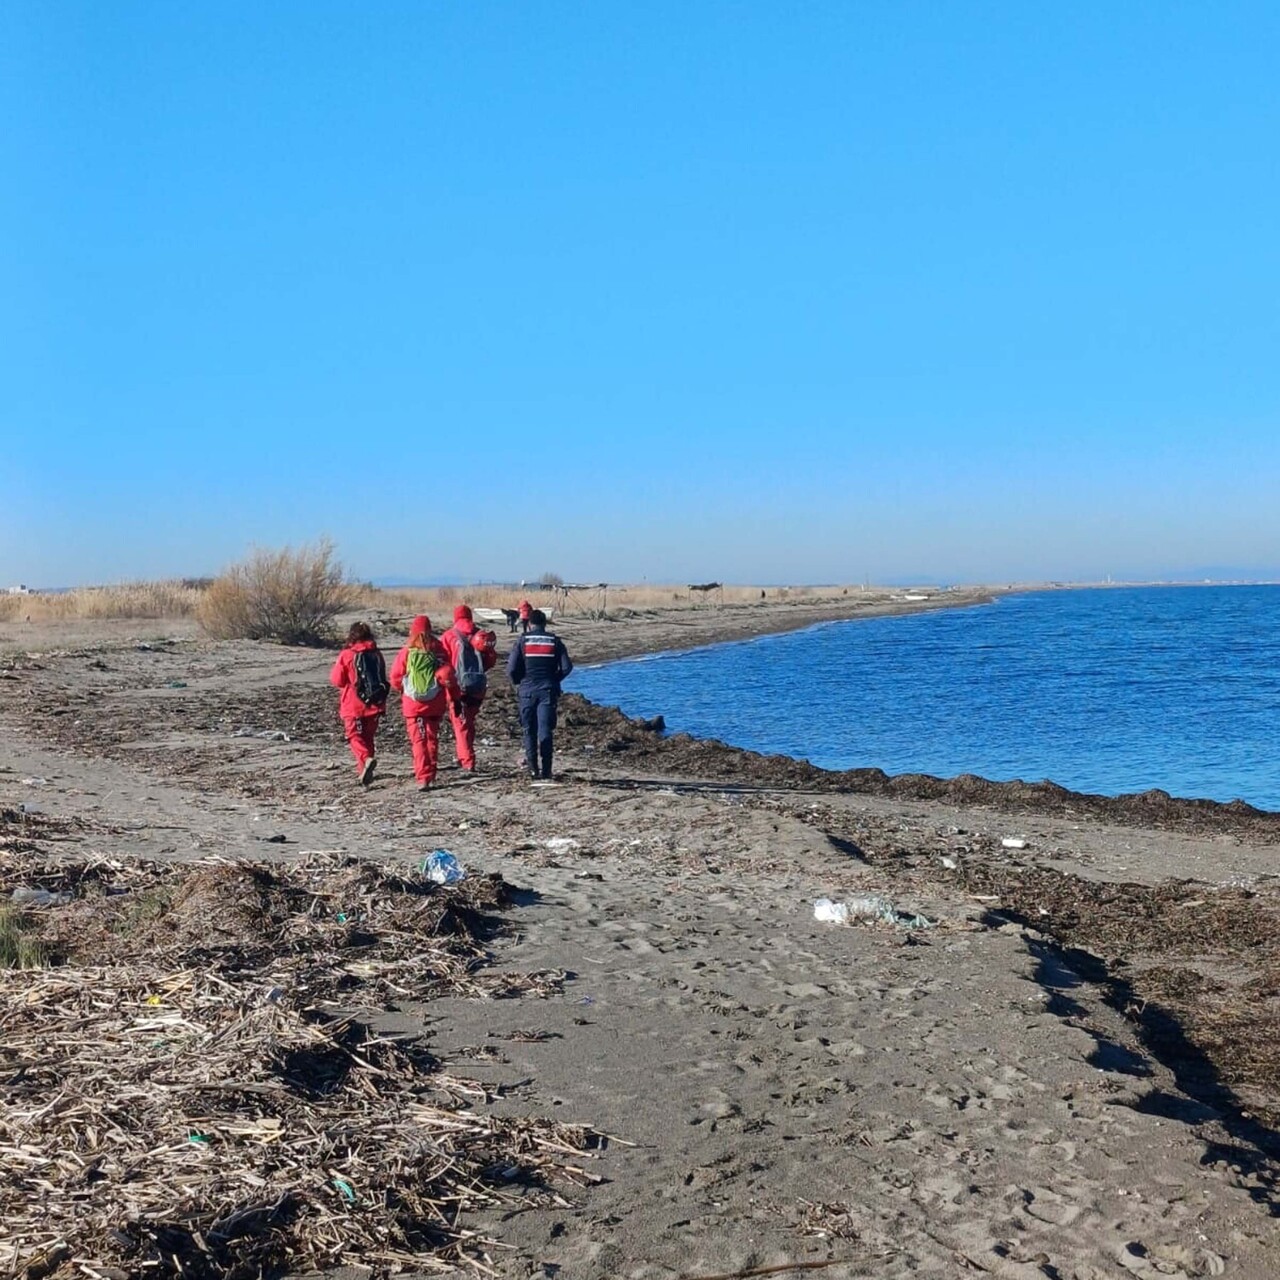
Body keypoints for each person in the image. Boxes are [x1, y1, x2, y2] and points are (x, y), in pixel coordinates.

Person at [389, 615, 458, 791]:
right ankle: (431, 773)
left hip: (414, 705)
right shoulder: (440, 650)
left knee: (419, 740)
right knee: (431, 738)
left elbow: (395, 677)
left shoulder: (407, 651)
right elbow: (448, 675)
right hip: (435, 702)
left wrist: (404, 690)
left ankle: (423, 776)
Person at [507, 608, 573, 780]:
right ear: (545, 624)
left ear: (529, 624)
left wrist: (518, 682)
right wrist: (554, 679)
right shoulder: (554, 641)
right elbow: (567, 667)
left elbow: (512, 669)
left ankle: (533, 769)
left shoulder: (522, 641)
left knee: (529, 730)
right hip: (547, 690)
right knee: (545, 730)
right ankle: (547, 770)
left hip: (527, 691)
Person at [440, 604, 498, 773]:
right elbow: (490, 661)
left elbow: (443, 662)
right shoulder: (481, 635)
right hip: (478, 687)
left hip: (458, 687)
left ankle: (467, 761)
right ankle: (464, 754)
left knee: (460, 724)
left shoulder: (449, 636)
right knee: (468, 721)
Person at [329, 621, 388, 785]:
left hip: (353, 705)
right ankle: (364, 771)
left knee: (355, 736)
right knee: (368, 738)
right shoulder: (376, 654)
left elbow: (337, 680)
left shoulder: (347, 654)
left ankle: (365, 761)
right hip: (374, 703)